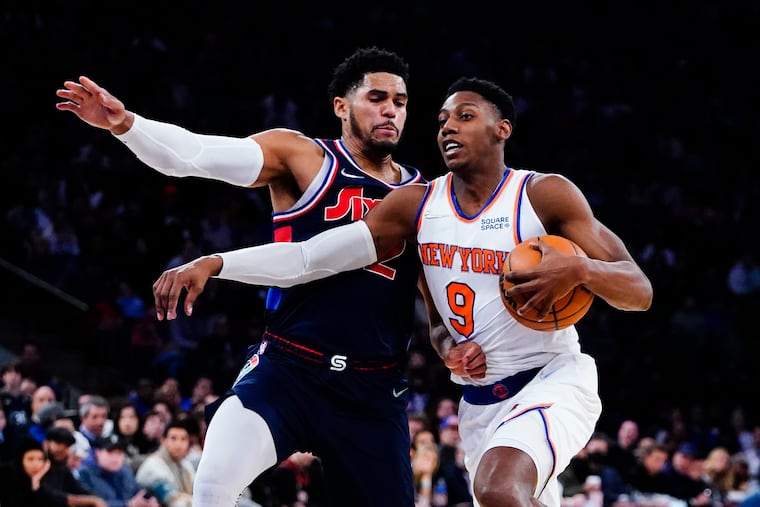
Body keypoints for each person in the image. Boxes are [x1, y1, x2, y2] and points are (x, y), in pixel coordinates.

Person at [153, 77, 653, 506]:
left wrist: (581, 270)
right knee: (504, 492)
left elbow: (639, 289)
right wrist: (448, 348)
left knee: (500, 490)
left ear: (502, 129)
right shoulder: (416, 205)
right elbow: (312, 259)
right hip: (479, 404)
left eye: (465, 115)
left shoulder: (543, 195)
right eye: (441, 119)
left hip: (552, 378)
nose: (448, 126)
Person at [57, 47, 486, 507]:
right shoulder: (301, 156)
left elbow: (433, 305)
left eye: (400, 102)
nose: (390, 110)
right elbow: (195, 155)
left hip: (371, 390)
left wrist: (448, 348)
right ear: (341, 105)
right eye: (377, 98)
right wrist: (127, 124)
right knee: (213, 484)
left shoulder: (426, 196)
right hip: (288, 368)